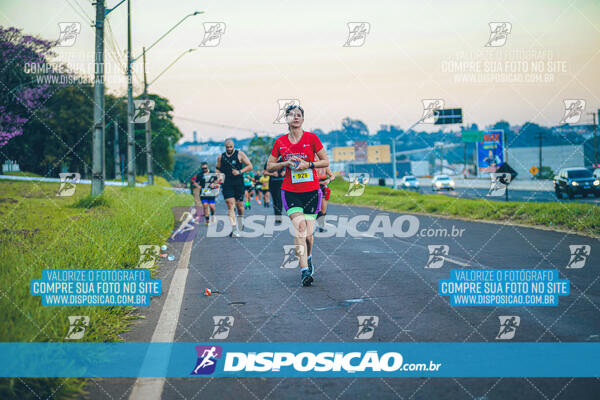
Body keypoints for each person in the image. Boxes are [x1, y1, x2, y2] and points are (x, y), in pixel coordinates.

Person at [267, 105, 329, 286]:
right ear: (286, 119)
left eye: (299, 115)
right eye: (292, 115)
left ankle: (308, 257)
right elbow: (269, 166)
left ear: (303, 119)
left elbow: (325, 161)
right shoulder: (280, 142)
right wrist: (285, 162)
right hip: (290, 191)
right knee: (299, 229)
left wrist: (307, 165)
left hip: (311, 192)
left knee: (309, 234)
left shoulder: (312, 138)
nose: (295, 117)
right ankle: (304, 272)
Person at [216, 139, 252, 237]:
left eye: (231, 147)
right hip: (227, 183)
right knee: (230, 205)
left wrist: (240, 171)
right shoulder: (221, 157)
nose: (229, 149)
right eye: (227, 147)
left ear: (233, 146)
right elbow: (217, 169)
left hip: (238, 183)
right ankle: (234, 229)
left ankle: (240, 219)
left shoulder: (240, 154)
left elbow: (250, 166)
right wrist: (218, 177)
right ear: (225, 147)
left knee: (240, 206)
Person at [315, 156, 335, 232]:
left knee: (323, 209)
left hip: (323, 187)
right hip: (313, 188)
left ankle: (321, 225)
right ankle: (318, 224)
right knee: (318, 209)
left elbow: (332, 176)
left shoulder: (325, 166)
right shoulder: (312, 166)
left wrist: (329, 180)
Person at [264, 159, 285, 223]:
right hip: (272, 183)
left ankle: (279, 216)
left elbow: (290, 169)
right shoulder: (269, 161)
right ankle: (276, 216)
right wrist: (272, 174)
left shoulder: (283, 160)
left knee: (279, 199)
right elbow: (264, 172)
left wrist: (285, 172)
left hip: (281, 182)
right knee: (275, 200)